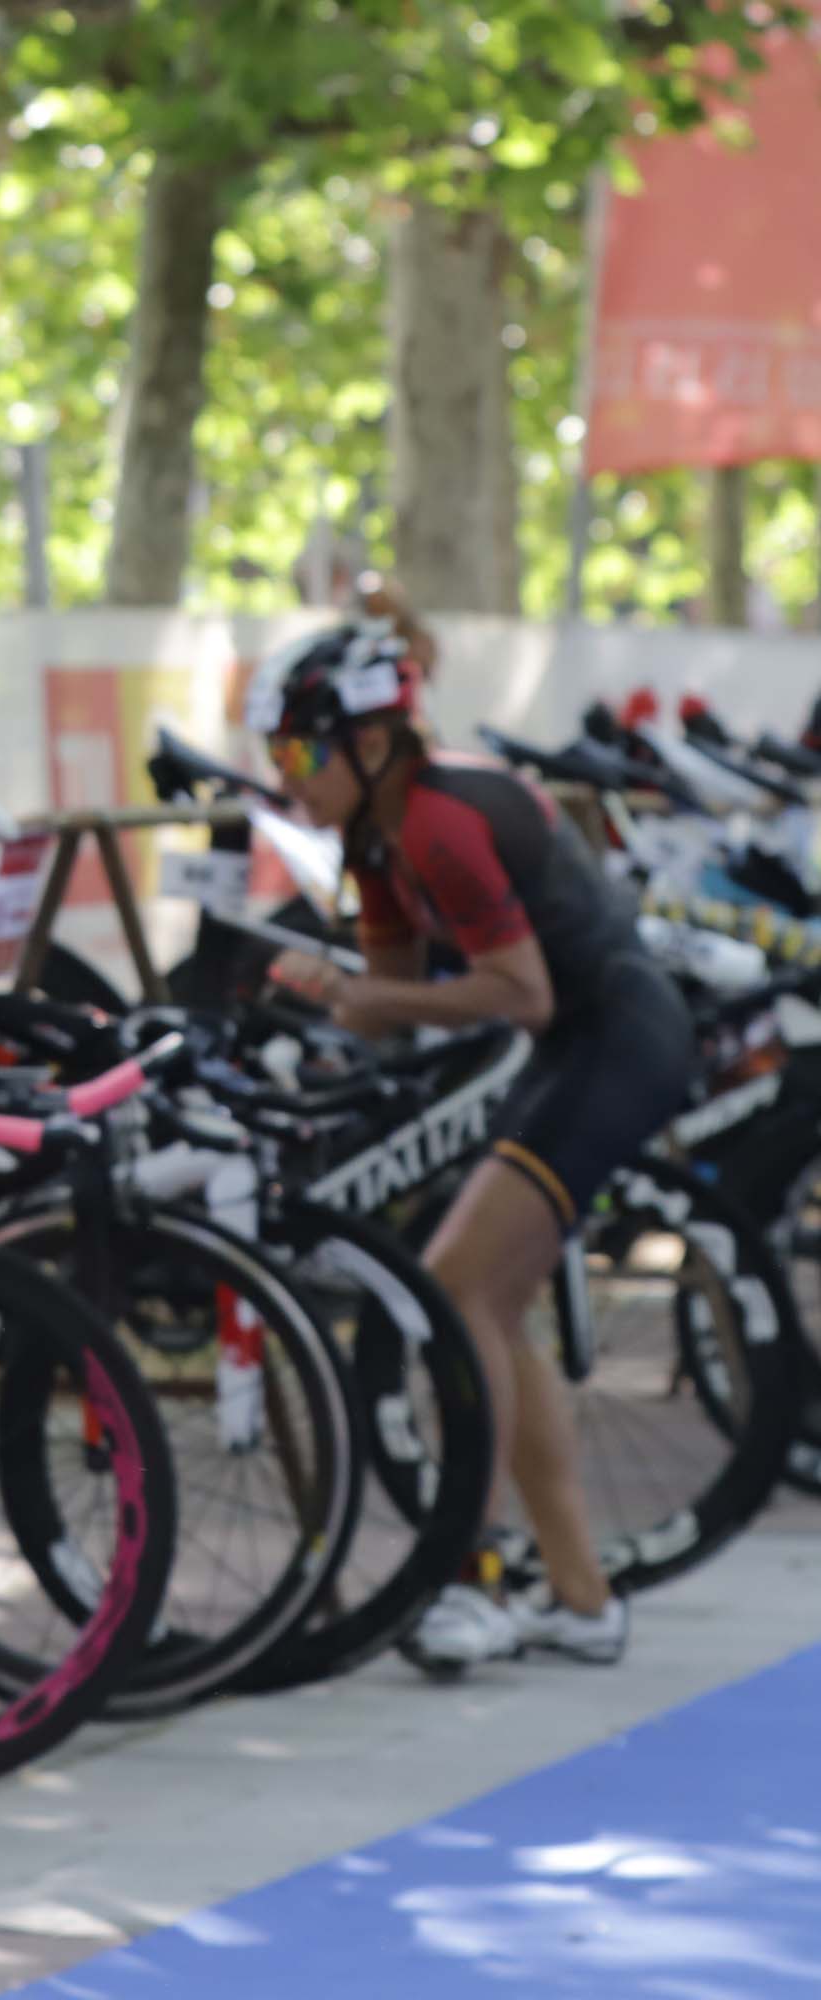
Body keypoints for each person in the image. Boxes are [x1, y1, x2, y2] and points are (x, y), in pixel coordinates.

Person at [253, 613, 694, 1675]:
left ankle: (468, 1578)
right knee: (495, 1308)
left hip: (613, 1040)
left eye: (299, 754)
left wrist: (364, 993)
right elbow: (394, 1003)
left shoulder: (441, 819)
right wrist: (315, 1007)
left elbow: (520, 991)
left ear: (369, 742)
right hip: (577, 1046)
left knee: (454, 1295)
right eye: (274, 758)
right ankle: (579, 1597)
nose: (287, 780)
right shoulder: (374, 833)